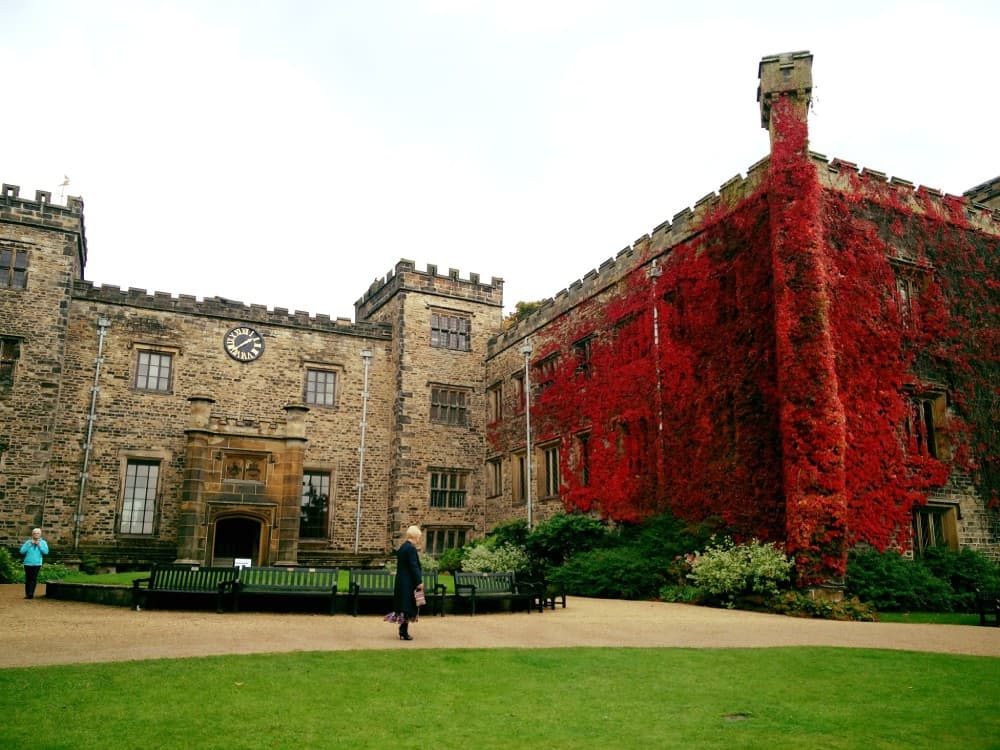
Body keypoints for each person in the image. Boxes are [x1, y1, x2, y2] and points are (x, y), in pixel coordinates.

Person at [389, 525, 424, 640]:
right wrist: (419, 581)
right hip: (408, 582)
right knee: (408, 606)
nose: (419, 539)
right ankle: (403, 631)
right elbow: (413, 566)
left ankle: (403, 630)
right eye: (418, 537)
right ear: (415, 536)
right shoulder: (411, 549)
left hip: (401, 581)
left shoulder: (403, 547)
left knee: (404, 606)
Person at [19, 528, 49, 600]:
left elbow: (46, 552)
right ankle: (27, 593)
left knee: (33, 578)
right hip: (27, 563)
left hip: (37, 563)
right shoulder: (28, 542)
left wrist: (39, 545)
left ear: (40, 534)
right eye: (34, 533)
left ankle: (30, 594)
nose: (36, 534)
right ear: (32, 534)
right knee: (28, 578)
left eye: (37, 533)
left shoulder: (43, 542)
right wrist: (29, 544)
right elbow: (22, 551)